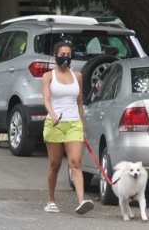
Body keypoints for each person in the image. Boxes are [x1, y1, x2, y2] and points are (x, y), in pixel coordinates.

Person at [42, 41, 94, 215]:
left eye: (68, 54)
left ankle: (81, 201)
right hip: (54, 124)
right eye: (62, 54)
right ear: (55, 55)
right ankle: (50, 200)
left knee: (75, 163)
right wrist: (53, 114)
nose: (65, 57)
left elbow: (79, 102)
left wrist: (82, 126)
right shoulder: (48, 76)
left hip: (73, 124)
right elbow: (47, 99)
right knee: (55, 165)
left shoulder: (77, 76)